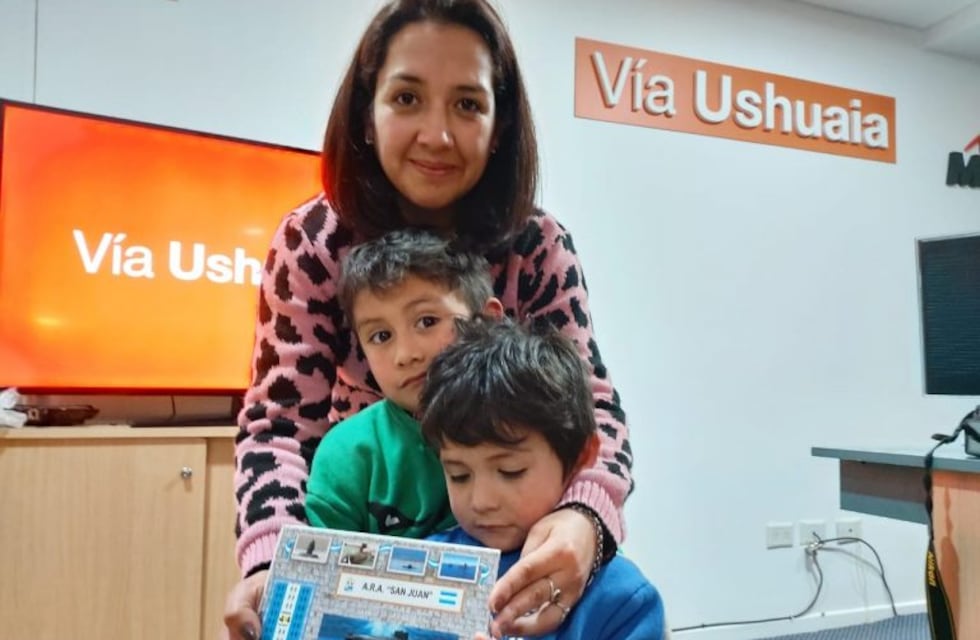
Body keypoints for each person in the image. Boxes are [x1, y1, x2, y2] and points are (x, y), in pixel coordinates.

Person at [224, 1, 634, 639]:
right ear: (368, 113)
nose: (437, 135)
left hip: (510, 567)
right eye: (407, 97)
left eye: (467, 104)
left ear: (499, 126)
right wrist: (270, 563)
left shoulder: (538, 245)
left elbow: (591, 407)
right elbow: (278, 426)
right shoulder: (314, 241)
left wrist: (586, 518)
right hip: (361, 565)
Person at [422, 319, 665, 640]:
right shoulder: (422, 569)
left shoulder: (624, 602)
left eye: (510, 471)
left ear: (580, 455)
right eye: (459, 475)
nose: (481, 501)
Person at [304, 229, 502, 536]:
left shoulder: (527, 428)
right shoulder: (348, 455)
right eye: (381, 336)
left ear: (488, 320)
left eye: (427, 321)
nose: (406, 355)